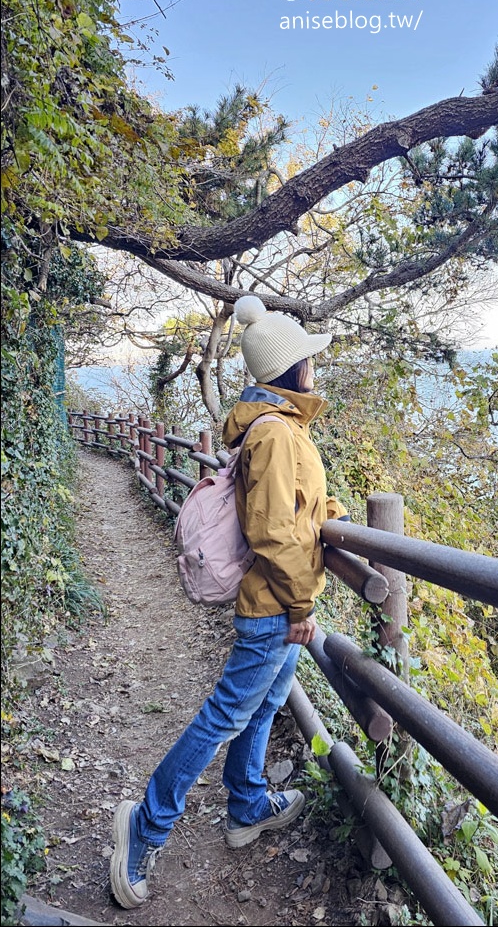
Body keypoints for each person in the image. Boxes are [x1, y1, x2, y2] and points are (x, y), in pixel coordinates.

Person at [110, 294, 349, 910]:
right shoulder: (274, 432)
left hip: (280, 598)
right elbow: (271, 530)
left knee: (266, 702)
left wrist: (331, 517)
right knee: (225, 715)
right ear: (293, 371)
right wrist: (301, 605)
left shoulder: (279, 426)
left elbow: (292, 508)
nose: (314, 371)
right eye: (309, 363)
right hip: (274, 604)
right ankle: (146, 821)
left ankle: (245, 804)